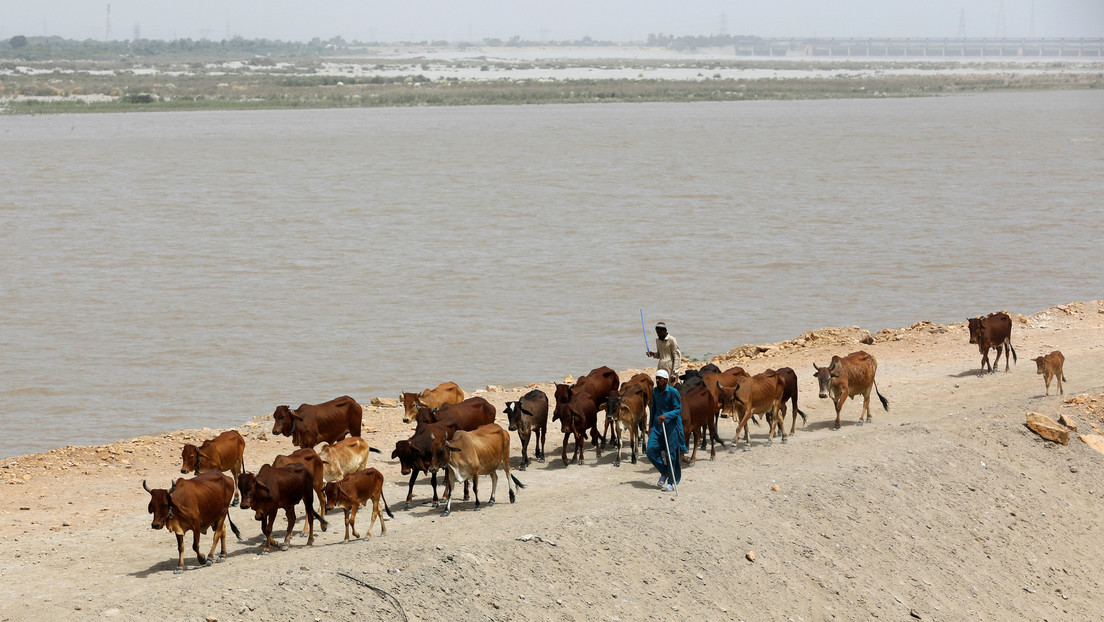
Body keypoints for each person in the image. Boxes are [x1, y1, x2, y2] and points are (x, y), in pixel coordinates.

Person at [647, 369, 685, 492]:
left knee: (671, 455)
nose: (657, 380)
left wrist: (666, 415)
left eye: (660, 378)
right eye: (656, 378)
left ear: (666, 380)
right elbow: (653, 409)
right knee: (650, 450)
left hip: (671, 427)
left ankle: (672, 483)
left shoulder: (673, 392)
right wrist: (650, 425)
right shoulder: (654, 391)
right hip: (657, 427)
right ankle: (664, 471)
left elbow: (678, 409)